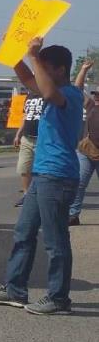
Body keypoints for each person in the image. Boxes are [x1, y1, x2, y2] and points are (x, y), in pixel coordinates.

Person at [0, 38, 83, 315]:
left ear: (61, 70)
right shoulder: (48, 88)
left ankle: (59, 298)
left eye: (46, 67)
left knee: (55, 240)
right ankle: (15, 289)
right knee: (24, 233)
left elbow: (49, 93)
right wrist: (15, 54)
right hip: (42, 175)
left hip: (59, 176)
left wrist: (34, 55)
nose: (40, 71)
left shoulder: (71, 93)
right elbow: (28, 77)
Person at [69, 59, 98, 226]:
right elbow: (77, 90)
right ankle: (73, 215)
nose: (96, 97)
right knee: (79, 183)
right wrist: (83, 70)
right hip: (87, 151)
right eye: (95, 94)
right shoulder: (91, 105)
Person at [12, 91, 44, 207]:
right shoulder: (29, 96)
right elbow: (25, 116)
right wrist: (18, 134)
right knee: (24, 168)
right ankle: (27, 195)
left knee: (40, 170)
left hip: (42, 138)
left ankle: (41, 196)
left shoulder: (47, 93)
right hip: (27, 137)